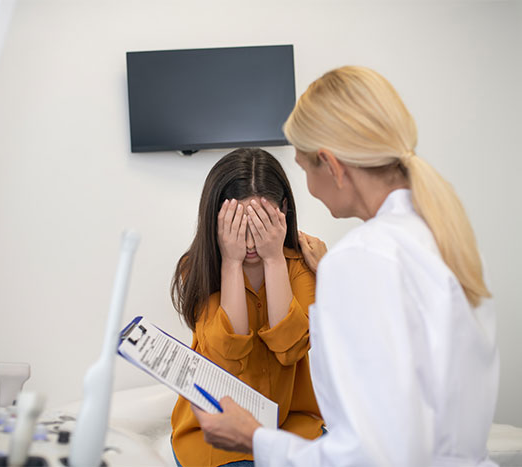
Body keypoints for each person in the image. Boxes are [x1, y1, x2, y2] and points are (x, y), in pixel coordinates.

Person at [191, 66, 500, 466]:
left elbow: (369, 453)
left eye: (304, 169)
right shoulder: (449, 237)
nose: (309, 189)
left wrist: (255, 440)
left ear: (332, 166)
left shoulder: (360, 259)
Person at [170, 147, 324, 467]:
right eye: (239, 224)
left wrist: (274, 259)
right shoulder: (197, 268)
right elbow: (228, 359)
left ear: (283, 211)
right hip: (212, 433)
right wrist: (231, 262)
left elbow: (289, 350)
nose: (251, 241)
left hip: (289, 425)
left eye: (261, 223)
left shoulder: (304, 263)